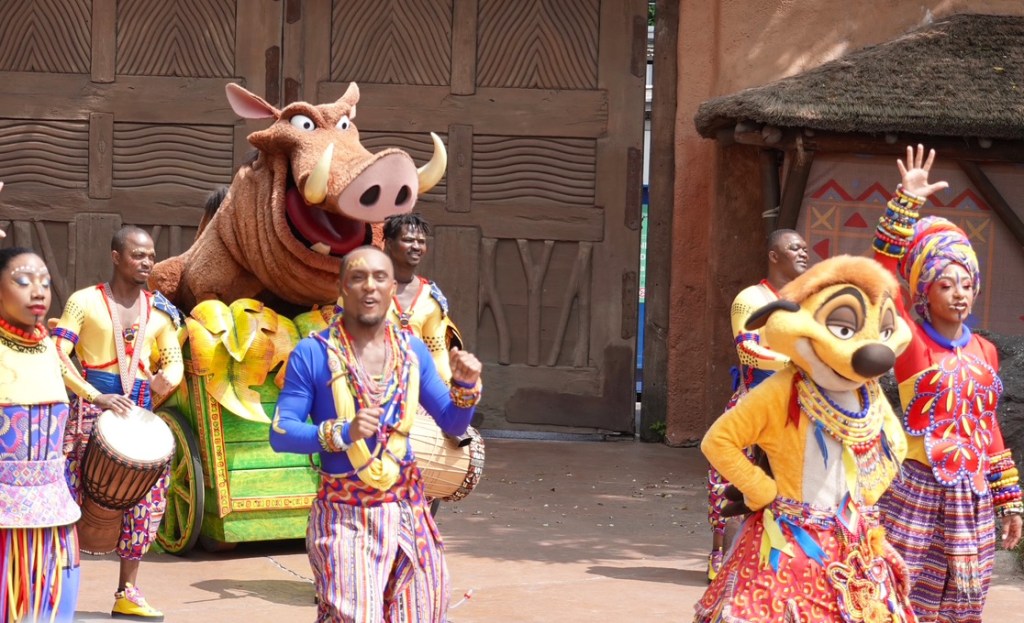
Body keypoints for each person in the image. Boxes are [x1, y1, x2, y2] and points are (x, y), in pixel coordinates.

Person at [695, 254, 917, 623]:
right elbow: (718, 440)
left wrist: (866, 494)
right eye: (844, 329)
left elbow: (895, 442)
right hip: (786, 542)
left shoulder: (870, 393)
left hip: (852, 542)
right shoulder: (782, 391)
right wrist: (762, 489)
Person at [270, 246, 482, 623]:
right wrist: (341, 432)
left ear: (392, 288)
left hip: (410, 513)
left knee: (424, 613)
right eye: (358, 277)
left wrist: (465, 389)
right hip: (345, 516)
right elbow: (282, 432)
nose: (369, 286)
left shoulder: (412, 350)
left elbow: (452, 424)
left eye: (379, 278)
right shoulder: (312, 354)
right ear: (342, 287)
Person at [872, 145, 1022, 622]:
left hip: (973, 494)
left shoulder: (985, 350)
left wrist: (1010, 502)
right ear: (925, 289)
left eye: (966, 284)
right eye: (946, 284)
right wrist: (905, 202)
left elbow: (989, 429)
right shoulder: (911, 340)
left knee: (966, 595)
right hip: (915, 488)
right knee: (899, 589)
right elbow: (881, 276)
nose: (959, 293)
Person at [52, 225, 184, 621]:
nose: (147, 262)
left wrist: (169, 377)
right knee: (71, 495)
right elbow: (58, 354)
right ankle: (60, 584)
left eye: (151, 256)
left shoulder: (160, 311)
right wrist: (94, 396)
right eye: (137, 255)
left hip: (141, 414)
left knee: (147, 502)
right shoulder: (83, 302)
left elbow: (173, 358)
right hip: (91, 411)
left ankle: (127, 591)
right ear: (115, 257)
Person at [705, 229, 809, 581]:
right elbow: (747, 349)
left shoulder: (809, 300)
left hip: (798, 407)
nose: (803, 253)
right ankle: (721, 554)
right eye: (794, 247)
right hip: (755, 403)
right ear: (773, 255)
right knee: (731, 476)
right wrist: (795, 363)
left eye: (805, 248)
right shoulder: (750, 298)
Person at [0, 247, 81, 622]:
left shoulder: (48, 345)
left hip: (52, 506)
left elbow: (74, 382)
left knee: (52, 605)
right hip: (4, 512)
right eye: (23, 281)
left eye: (45, 283)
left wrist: (101, 397)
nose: (38, 291)